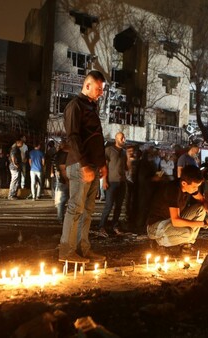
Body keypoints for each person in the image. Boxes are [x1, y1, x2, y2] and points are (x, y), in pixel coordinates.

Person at [59, 70, 108, 263]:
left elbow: (96, 139)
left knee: (87, 210)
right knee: (76, 208)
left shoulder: (91, 107)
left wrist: (102, 165)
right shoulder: (75, 106)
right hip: (81, 166)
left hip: (93, 167)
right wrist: (84, 165)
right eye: (98, 89)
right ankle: (66, 251)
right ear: (87, 86)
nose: (101, 93)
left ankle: (82, 248)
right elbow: (73, 137)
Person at [146, 165, 208, 252]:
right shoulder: (173, 190)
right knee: (187, 232)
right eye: (194, 187)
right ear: (184, 183)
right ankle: (158, 242)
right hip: (156, 226)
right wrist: (205, 223)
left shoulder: (187, 187)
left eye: (197, 186)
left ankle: (186, 245)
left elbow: (203, 201)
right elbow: (176, 221)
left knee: (200, 208)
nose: (196, 189)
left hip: (170, 222)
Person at [97, 132, 127, 237]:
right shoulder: (109, 151)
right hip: (111, 182)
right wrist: (104, 180)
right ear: (116, 139)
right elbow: (103, 166)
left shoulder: (124, 152)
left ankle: (114, 225)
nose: (123, 140)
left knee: (118, 206)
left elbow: (125, 167)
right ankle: (101, 226)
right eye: (121, 138)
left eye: (124, 138)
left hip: (121, 182)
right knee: (108, 206)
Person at [53, 141, 70, 223]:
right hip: (65, 181)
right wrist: (67, 180)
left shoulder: (59, 154)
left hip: (62, 180)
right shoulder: (63, 155)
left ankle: (61, 218)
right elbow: (63, 169)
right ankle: (61, 218)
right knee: (63, 200)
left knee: (63, 200)